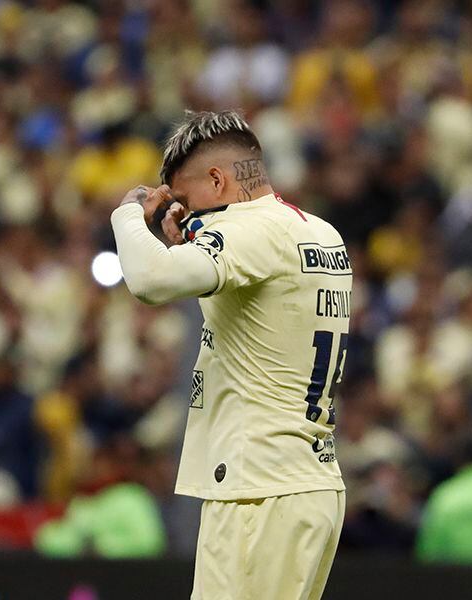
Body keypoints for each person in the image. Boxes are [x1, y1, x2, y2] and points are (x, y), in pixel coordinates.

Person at [111, 110, 350, 600]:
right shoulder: (321, 233)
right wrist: (197, 239)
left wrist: (129, 213)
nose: (184, 213)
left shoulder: (249, 232)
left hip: (257, 490)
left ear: (217, 179)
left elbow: (151, 280)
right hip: (309, 483)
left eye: (185, 199)